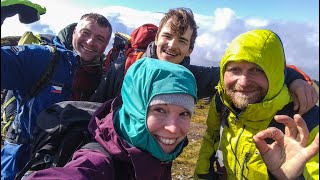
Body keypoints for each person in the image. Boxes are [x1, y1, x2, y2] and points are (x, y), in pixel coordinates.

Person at [95, 7, 318, 116]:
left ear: (190, 48)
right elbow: (97, 110)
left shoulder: (192, 77)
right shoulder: (124, 66)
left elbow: (237, 73)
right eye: (167, 36)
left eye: (182, 40)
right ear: (157, 37)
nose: (172, 45)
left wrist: (295, 79)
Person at [26, 57, 198, 179]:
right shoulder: (98, 162)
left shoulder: (153, 149)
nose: (174, 128)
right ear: (136, 109)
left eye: (184, 113)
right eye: (160, 110)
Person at [194, 29, 319, 179]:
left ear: (275, 73)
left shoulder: (306, 121)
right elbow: (211, 136)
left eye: (256, 70)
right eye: (234, 69)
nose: (243, 82)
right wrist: (203, 174)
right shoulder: (223, 100)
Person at [1, 13, 112, 180]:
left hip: (65, 162)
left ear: (105, 46)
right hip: (20, 158)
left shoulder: (102, 75)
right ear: (74, 32)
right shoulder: (43, 57)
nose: (90, 42)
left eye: (99, 39)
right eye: (85, 33)